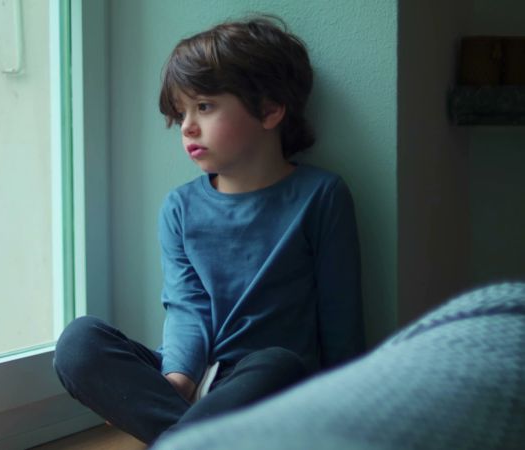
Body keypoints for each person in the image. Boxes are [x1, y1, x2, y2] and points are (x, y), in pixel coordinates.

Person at [53, 15, 364, 445]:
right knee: (78, 343)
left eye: (204, 106)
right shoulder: (180, 207)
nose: (187, 126)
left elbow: (341, 319)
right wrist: (178, 379)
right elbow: (186, 306)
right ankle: (196, 437)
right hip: (199, 381)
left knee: (278, 362)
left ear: (270, 109)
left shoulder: (321, 195)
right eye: (181, 112)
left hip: (273, 388)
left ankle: (188, 438)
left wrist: (344, 414)